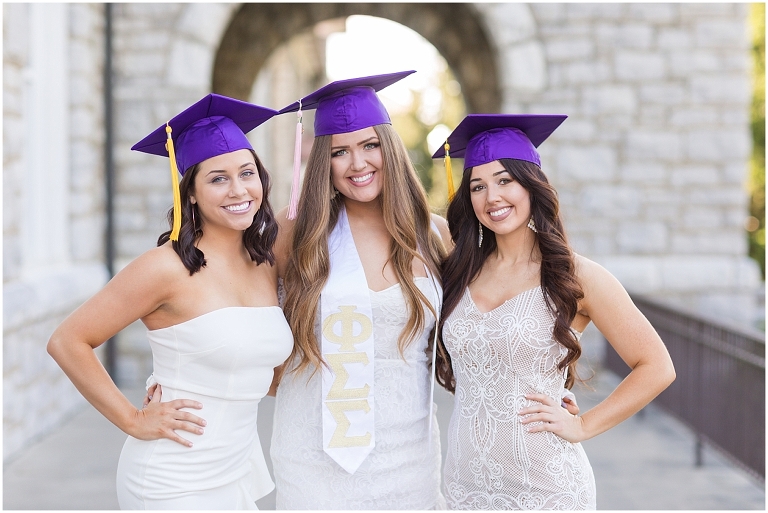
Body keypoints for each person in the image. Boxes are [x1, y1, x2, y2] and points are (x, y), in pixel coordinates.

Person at [47, 94, 293, 509]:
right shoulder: (164, 268)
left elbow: (262, 372)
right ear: (190, 193)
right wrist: (133, 419)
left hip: (235, 470)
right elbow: (67, 340)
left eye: (247, 173)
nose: (238, 190)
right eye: (218, 178)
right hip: (172, 477)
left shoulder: (264, 263)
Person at [432, 114, 676, 510]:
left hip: (545, 487)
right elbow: (405, 219)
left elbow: (657, 365)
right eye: (478, 186)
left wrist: (583, 425)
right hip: (465, 484)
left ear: (532, 186)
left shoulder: (576, 276)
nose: (491, 196)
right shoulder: (460, 269)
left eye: (505, 180)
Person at [269, 71, 452, 509]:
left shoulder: (433, 235)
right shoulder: (294, 233)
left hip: (410, 458)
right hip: (313, 457)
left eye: (370, 146)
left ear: (389, 148)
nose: (358, 164)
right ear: (322, 164)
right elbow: (242, 310)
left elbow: (479, 321)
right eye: (340, 152)